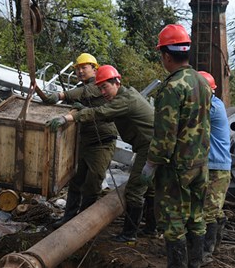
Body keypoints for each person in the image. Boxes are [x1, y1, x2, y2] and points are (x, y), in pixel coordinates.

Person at [47, 64, 155, 243]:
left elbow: (102, 112)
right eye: (100, 88)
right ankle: (151, 228)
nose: (103, 91)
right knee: (149, 187)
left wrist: (68, 117)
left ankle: (130, 234)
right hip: (150, 145)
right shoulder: (124, 97)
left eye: (105, 86)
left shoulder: (125, 99)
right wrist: (83, 110)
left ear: (116, 82)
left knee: (135, 190)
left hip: (149, 147)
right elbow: (106, 114)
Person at [141, 24, 212, 268]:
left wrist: (151, 164)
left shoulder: (171, 88)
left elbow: (164, 138)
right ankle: (196, 263)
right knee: (196, 217)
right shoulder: (202, 82)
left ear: (166, 55)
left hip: (176, 168)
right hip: (201, 163)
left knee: (173, 222)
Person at [44, 53, 118, 228]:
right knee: (76, 182)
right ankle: (69, 219)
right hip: (85, 143)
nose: (79, 71)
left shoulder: (99, 85)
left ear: (95, 68)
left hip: (102, 144)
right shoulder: (83, 88)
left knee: (92, 185)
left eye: (83, 67)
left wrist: (60, 95)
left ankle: (83, 225)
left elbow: (85, 92)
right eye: (77, 68)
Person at [198, 71, 231, 262]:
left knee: (207, 212)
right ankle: (214, 246)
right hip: (212, 166)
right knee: (214, 209)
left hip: (218, 168)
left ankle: (205, 253)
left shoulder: (212, 106)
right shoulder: (213, 103)